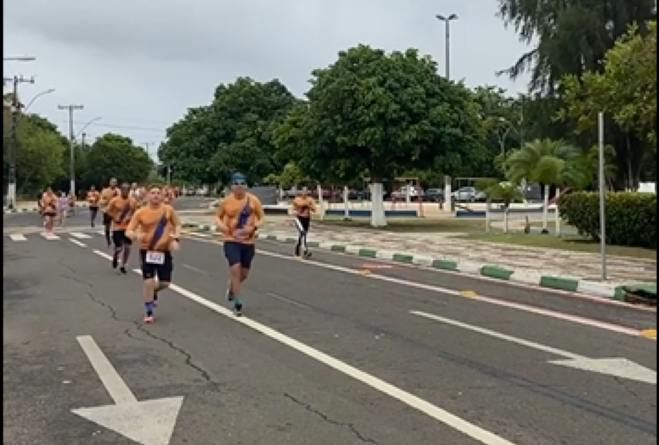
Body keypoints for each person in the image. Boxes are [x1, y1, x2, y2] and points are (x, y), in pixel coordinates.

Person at [126, 184, 181, 323]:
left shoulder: (168, 210)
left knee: (165, 283)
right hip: (147, 251)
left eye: (158, 193)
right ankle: (149, 311)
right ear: (147, 196)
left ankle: (153, 292)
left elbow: (178, 225)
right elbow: (129, 230)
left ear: (162, 195)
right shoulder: (140, 212)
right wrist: (136, 235)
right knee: (148, 281)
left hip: (164, 250)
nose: (156, 195)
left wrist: (175, 239)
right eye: (153, 193)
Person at [215, 173, 264, 316]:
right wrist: (223, 227)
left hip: (248, 241)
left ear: (246, 185)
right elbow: (217, 217)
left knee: (244, 273)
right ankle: (238, 302)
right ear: (231, 186)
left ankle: (232, 288)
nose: (239, 186)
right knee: (235, 268)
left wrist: (253, 227)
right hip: (231, 240)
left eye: (242, 183)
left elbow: (262, 218)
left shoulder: (253, 200)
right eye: (236, 183)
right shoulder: (226, 202)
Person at [106, 183, 139, 274]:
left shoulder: (132, 201)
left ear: (129, 191)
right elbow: (108, 211)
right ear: (120, 190)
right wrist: (114, 217)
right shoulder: (115, 200)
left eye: (127, 190)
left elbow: (136, 213)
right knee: (119, 248)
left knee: (128, 247)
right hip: (117, 227)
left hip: (128, 227)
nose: (125, 192)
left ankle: (123, 264)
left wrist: (131, 218)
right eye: (123, 190)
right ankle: (115, 256)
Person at [291, 189, 316, 259]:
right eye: (303, 192)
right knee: (302, 233)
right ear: (301, 193)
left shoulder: (310, 200)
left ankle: (297, 251)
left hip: (307, 219)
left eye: (306, 192)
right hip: (298, 218)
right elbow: (292, 209)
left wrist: (309, 206)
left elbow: (314, 209)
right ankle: (305, 251)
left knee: (303, 235)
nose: (304, 193)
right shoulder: (297, 200)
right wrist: (299, 208)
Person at [99, 178, 119, 247]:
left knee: (116, 226)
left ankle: (115, 239)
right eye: (112, 182)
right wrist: (104, 204)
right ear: (109, 183)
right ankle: (108, 241)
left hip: (116, 211)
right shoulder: (105, 191)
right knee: (107, 227)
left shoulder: (118, 191)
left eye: (115, 182)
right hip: (107, 211)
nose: (113, 183)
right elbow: (101, 200)